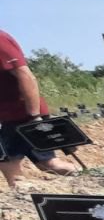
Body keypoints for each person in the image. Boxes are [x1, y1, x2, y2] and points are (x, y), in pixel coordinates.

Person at [1, 30, 78, 190]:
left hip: (20, 114)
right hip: (10, 115)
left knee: (8, 161)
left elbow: (25, 74)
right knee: (48, 164)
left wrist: (34, 116)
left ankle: (20, 196)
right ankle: (92, 178)